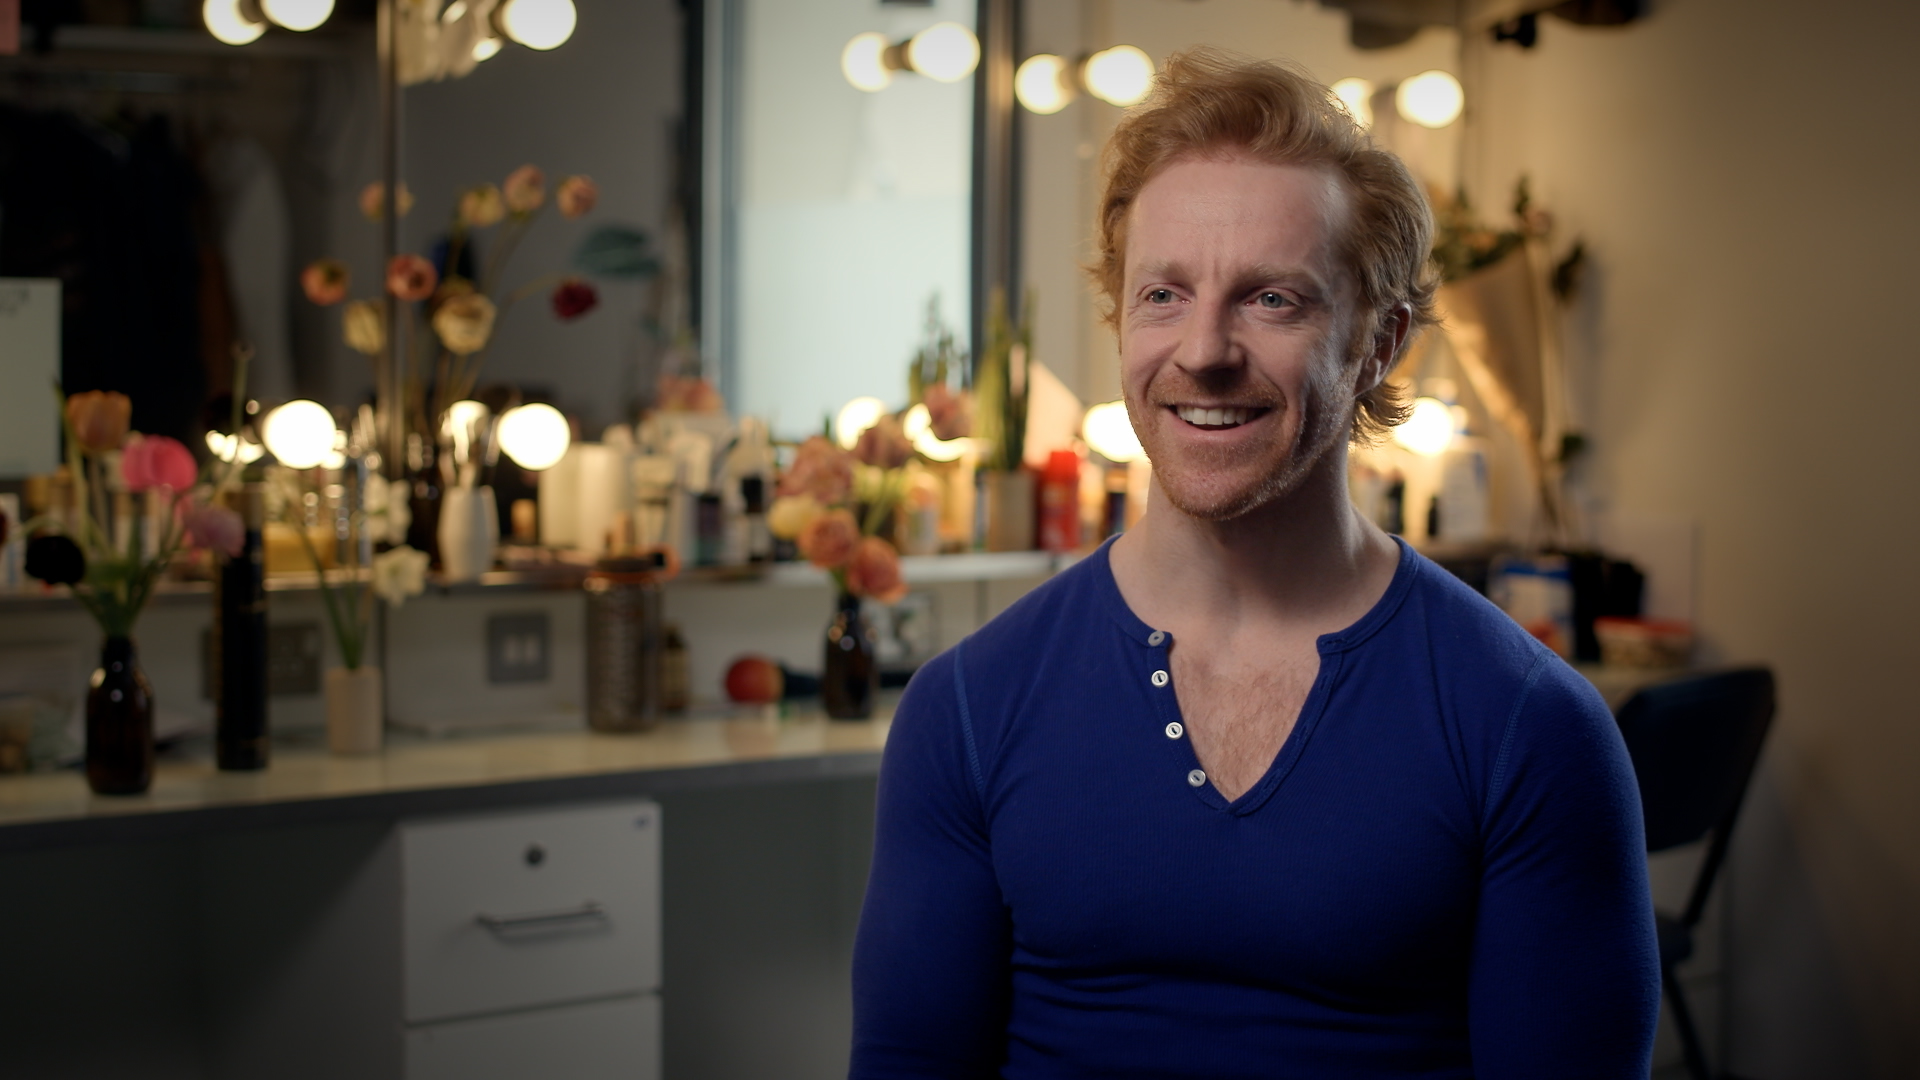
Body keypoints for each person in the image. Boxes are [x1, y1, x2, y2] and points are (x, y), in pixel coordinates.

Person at [850, 48, 1658, 1079]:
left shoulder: (1527, 725)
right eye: (1163, 295)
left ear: (1381, 341)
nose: (1203, 351)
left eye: (1273, 299)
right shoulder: (966, 708)